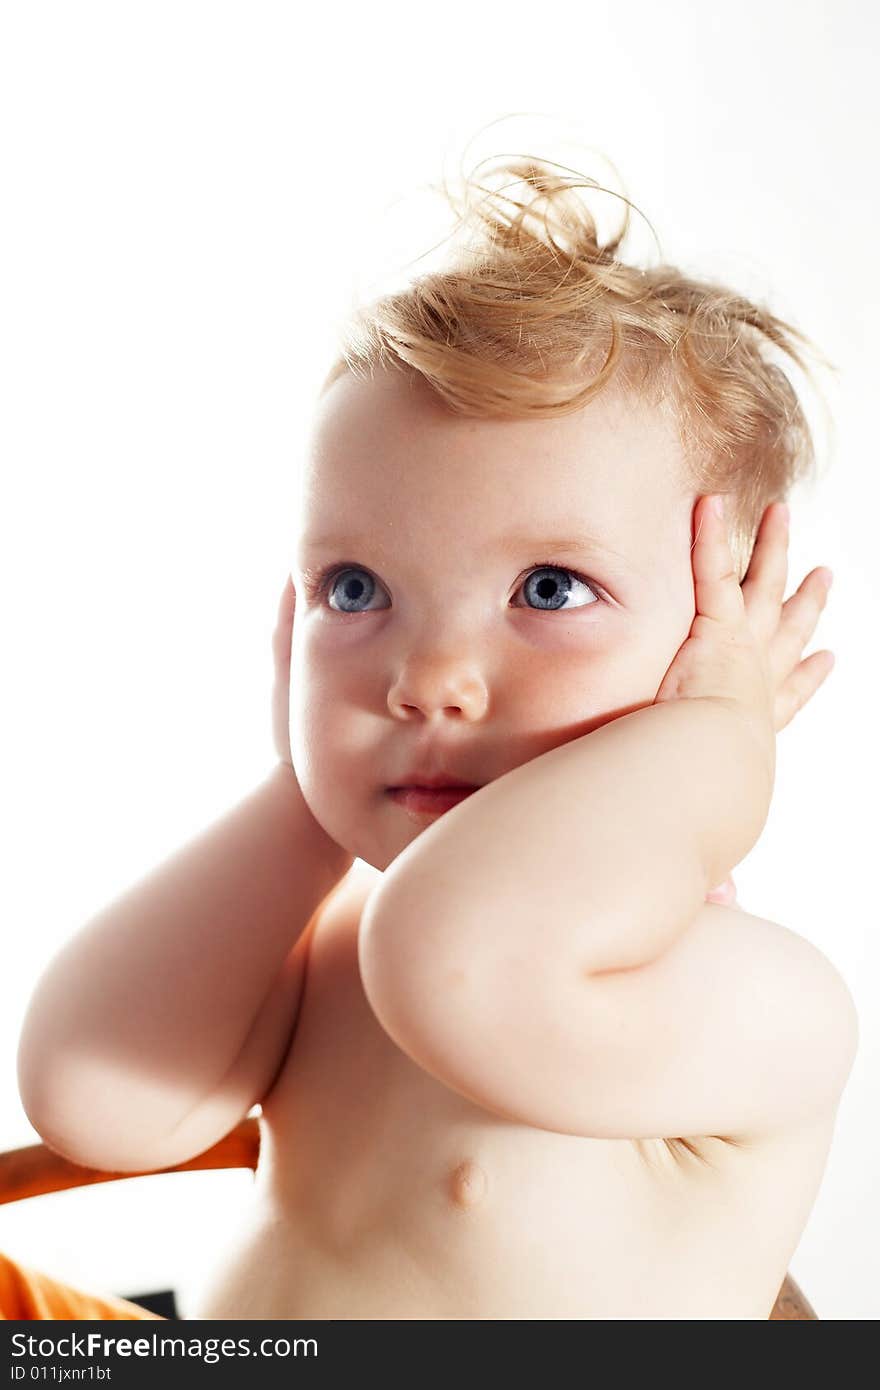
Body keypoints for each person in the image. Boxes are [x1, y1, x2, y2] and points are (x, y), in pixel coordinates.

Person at [13, 140, 857, 1320]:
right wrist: (303, 798)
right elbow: (95, 1098)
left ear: (724, 644)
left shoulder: (751, 998)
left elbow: (461, 959)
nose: (428, 680)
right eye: (355, 591)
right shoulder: (324, 947)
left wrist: (720, 744)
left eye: (550, 590)